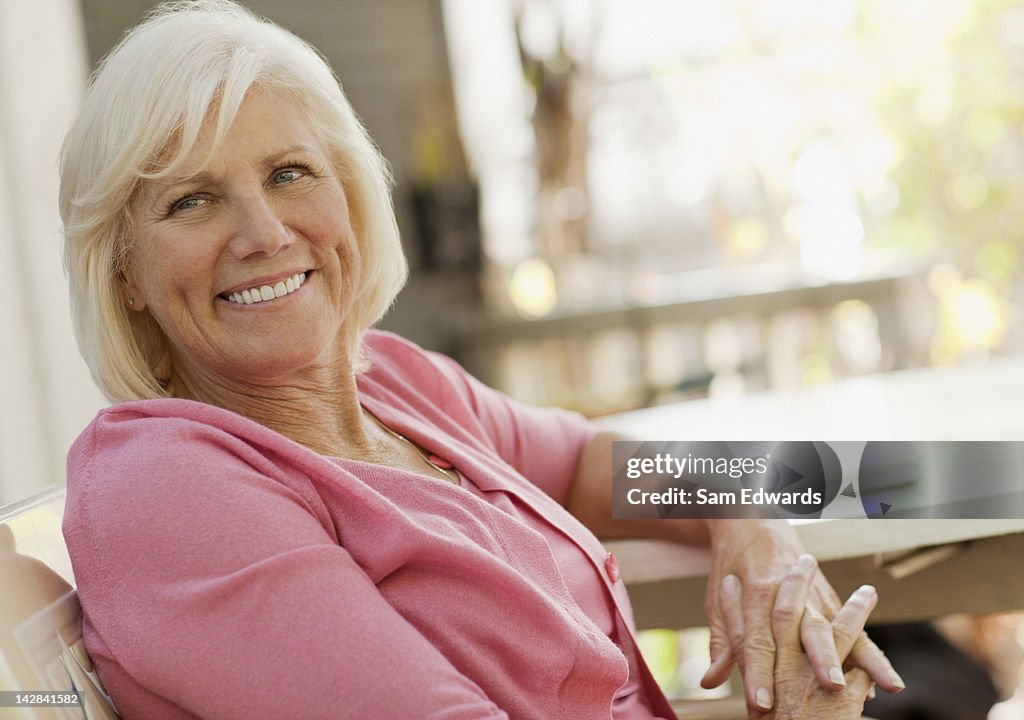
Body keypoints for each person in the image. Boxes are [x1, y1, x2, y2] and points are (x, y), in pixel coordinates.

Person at [58, 2, 904, 718]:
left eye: (289, 173)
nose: (265, 234)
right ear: (124, 271)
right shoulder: (167, 490)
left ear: (349, 195)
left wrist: (754, 528)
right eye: (191, 200)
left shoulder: (394, 384)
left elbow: (586, 461)